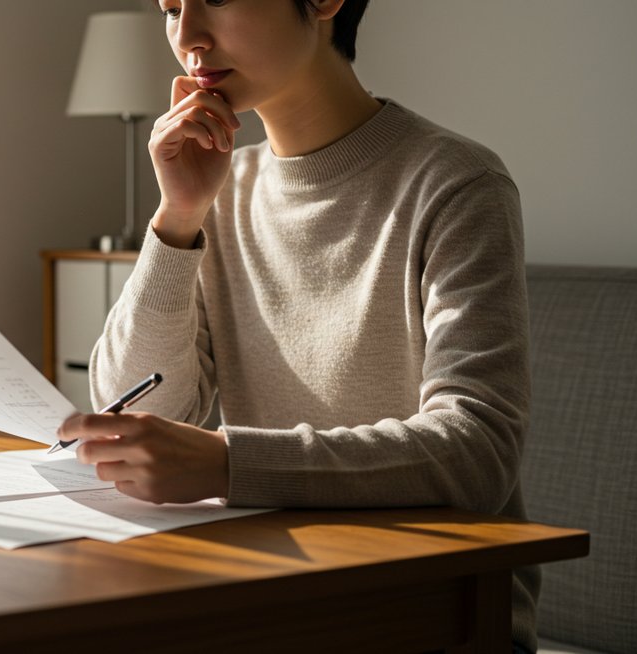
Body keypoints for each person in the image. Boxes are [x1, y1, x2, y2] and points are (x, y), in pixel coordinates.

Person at [54, 1, 539, 651]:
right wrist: (177, 217)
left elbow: (477, 451)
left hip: (428, 609)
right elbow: (144, 402)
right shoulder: (218, 190)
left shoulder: (454, 184)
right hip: (270, 591)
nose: (189, 37)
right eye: (171, 8)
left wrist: (232, 465)